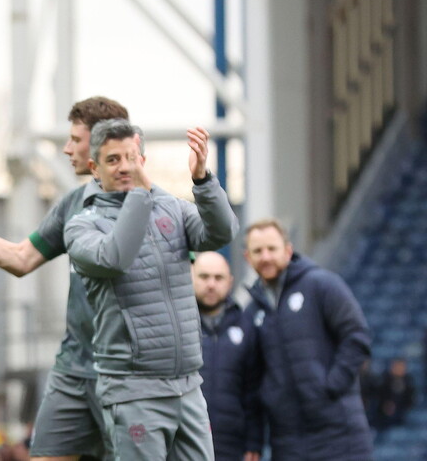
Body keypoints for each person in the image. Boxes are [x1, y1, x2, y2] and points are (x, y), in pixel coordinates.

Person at [0, 96, 128, 461]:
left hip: (127, 376)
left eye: (75, 139)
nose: (67, 149)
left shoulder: (150, 206)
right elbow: (21, 258)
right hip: (73, 369)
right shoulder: (73, 205)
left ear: (103, 142)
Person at [64, 119, 237, 460]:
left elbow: (222, 233)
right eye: (113, 159)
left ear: (143, 161)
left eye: (132, 157)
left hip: (188, 386)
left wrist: (202, 180)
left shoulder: (171, 207)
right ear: (94, 168)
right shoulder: (82, 226)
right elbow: (115, 257)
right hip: (133, 392)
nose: (125, 166)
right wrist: (142, 195)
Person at [243, 218, 372, 460]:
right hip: (287, 443)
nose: (266, 257)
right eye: (258, 251)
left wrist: (329, 387)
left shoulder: (322, 285)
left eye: (272, 248)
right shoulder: (251, 313)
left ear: (288, 250)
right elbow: (253, 380)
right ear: (247, 257)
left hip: (340, 435)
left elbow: (357, 337)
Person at [192, 251, 262, 461]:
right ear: (190, 278)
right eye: (204, 277)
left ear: (230, 282)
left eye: (218, 277)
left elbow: (253, 391)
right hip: (184, 440)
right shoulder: (178, 327)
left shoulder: (247, 327)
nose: (211, 284)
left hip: (231, 445)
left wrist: (254, 441)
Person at [375, 357, 415, 430]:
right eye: (397, 366)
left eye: (401, 366)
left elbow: (411, 400)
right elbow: (378, 397)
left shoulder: (409, 381)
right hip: (383, 417)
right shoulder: (383, 380)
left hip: (402, 413)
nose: (399, 369)